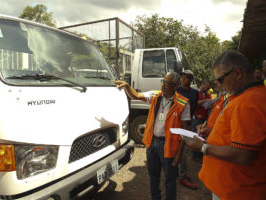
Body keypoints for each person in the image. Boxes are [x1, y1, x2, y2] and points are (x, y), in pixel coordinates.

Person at [187, 50, 266, 200]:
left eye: (221, 80)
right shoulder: (244, 97)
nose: (219, 84)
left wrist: (203, 147)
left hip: (236, 191)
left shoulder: (248, 102)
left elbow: (243, 154)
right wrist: (212, 132)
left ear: (237, 73)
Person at [113, 72, 190, 200]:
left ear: (175, 86)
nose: (162, 85)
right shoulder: (155, 95)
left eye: (166, 83)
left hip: (169, 146)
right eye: (163, 81)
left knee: (170, 180)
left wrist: (179, 154)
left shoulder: (183, 103)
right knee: (153, 176)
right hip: (152, 144)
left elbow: (184, 131)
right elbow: (136, 95)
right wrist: (127, 86)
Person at [176, 70, 199, 189]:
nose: (182, 80)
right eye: (182, 78)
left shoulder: (195, 93)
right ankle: (182, 175)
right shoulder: (176, 90)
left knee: (184, 151)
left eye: (185, 78)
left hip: (187, 125)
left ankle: (182, 174)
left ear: (190, 80)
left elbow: (193, 108)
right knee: (177, 149)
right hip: (175, 125)